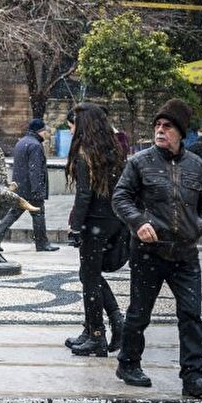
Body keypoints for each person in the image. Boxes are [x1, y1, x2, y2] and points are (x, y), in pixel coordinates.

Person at [112, 99, 202, 397]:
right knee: (140, 313)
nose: (160, 130)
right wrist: (139, 222)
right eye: (157, 125)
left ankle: (193, 376)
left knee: (191, 314)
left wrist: (199, 225)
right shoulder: (139, 162)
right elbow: (121, 197)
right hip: (147, 253)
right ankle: (128, 363)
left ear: (181, 132)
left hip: (185, 254)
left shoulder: (197, 165)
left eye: (167, 126)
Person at [63, 104, 127, 357]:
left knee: (89, 278)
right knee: (89, 274)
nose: (71, 129)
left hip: (94, 223)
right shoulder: (112, 148)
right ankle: (101, 326)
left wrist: (76, 227)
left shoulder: (84, 152)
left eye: (73, 124)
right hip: (112, 219)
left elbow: (84, 193)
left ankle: (97, 335)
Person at [0, 118, 59, 252]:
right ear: (39, 131)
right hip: (32, 188)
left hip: (20, 186)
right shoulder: (35, 145)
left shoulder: (22, 142)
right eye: (44, 130)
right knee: (38, 213)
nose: (45, 133)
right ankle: (42, 243)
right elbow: (35, 169)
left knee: (14, 213)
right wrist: (37, 189)